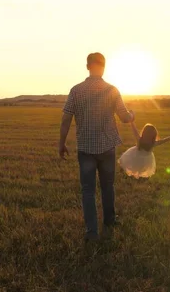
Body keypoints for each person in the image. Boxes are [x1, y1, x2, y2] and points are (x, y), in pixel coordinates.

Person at [58, 52, 135, 242]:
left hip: (85, 147)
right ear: (104, 66)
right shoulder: (112, 90)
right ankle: (109, 220)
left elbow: (66, 119)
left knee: (88, 190)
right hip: (107, 146)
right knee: (108, 186)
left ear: (87, 67)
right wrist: (132, 114)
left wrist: (61, 143)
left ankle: (91, 231)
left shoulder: (76, 90)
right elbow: (125, 118)